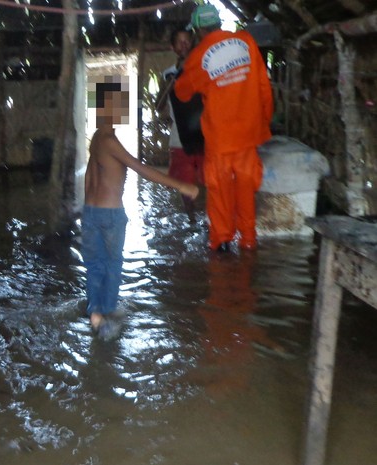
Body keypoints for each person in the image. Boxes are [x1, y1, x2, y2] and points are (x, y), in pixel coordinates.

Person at [83, 76, 199, 339]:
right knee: (112, 264)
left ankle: (94, 314)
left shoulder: (97, 139)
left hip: (89, 214)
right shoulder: (110, 141)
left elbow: (92, 176)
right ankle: (107, 315)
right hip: (110, 215)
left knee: (94, 265)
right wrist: (182, 186)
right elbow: (142, 170)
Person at [175, 4, 273, 252]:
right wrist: (263, 122)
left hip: (220, 137)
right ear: (219, 23)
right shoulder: (246, 42)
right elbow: (264, 86)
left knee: (219, 189)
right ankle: (248, 240)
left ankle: (222, 242)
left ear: (198, 30)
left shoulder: (200, 56)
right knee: (245, 186)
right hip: (248, 134)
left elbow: (182, 92)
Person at [155, 29, 205, 223]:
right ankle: (192, 220)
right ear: (173, 47)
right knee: (185, 181)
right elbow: (159, 107)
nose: (184, 45)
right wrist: (171, 83)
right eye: (179, 42)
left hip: (204, 132)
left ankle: (209, 220)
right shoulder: (168, 74)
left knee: (209, 178)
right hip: (180, 135)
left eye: (187, 41)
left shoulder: (202, 68)